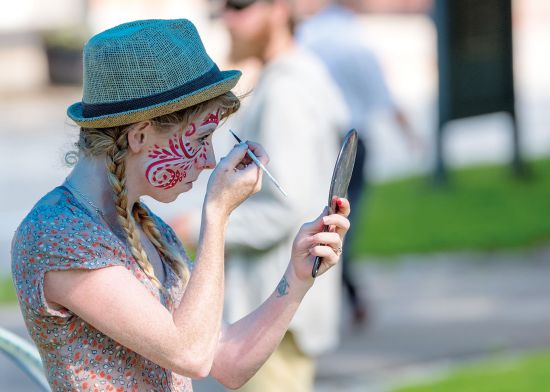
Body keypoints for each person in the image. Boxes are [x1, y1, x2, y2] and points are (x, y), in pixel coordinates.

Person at [10, 19, 350, 392]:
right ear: (140, 135)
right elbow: (191, 356)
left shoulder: (148, 228)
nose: (208, 160)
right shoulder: (59, 234)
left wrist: (297, 276)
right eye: (202, 137)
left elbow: (227, 361)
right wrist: (217, 215)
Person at [202, 0, 348, 391]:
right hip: (279, 312)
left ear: (279, 9)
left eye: (239, 6)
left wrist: (204, 226)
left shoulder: (286, 91)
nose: (226, 18)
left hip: (274, 317)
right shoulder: (294, 76)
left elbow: (286, 210)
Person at [296, 0, 423, 325]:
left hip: (315, 143)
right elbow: (384, 97)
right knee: (340, 226)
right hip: (352, 144)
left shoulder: (309, 34)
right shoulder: (356, 42)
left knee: (316, 220)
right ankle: (339, 295)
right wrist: (412, 138)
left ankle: (332, 297)